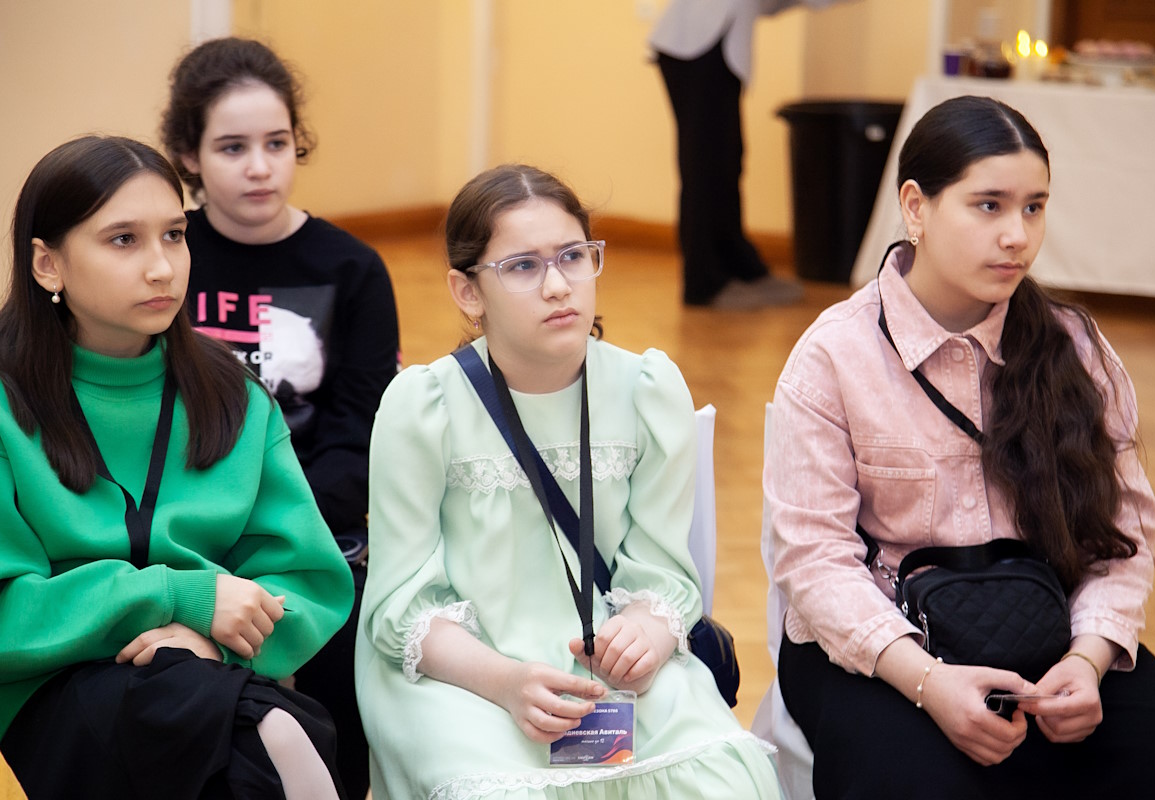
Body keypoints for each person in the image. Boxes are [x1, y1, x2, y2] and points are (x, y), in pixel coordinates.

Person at [763, 95, 1155, 798]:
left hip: (1045, 627)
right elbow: (814, 563)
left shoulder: (1076, 349)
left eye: (1034, 207)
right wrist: (927, 682)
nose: (1017, 236)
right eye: (988, 205)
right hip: (885, 645)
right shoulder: (834, 357)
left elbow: (1122, 539)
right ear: (916, 207)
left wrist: (1087, 660)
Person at [355, 164, 781, 799]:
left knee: (728, 781)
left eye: (573, 256)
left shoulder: (646, 390)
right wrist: (505, 682)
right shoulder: (424, 407)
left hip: (608, 668)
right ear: (468, 291)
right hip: (463, 675)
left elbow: (663, 570)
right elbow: (401, 607)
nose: (558, 286)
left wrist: (647, 633)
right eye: (523, 266)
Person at [0, 135, 354, 798]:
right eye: (123, 240)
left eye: (174, 235)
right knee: (267, 739)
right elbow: (8, 614)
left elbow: (308, 579)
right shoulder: (5, 400)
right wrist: (177, 597)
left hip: (213, 669)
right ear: (48, 264)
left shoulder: (232, 394)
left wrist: (204, 639)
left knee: (250, 736)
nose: (162, 268)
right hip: (54, 683)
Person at [161, 37, 400, 799]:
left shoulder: (352, 268)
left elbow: (359, 436)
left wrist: (277, 537)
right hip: (181, 535)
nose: (260, 166)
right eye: (232, 147)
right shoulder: (164, 259)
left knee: (345, 671)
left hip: (314, 533)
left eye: (277, 143)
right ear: (190, 157)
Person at [650, 0, 815, 309]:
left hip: (711, 45)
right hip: (697, 45)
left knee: (726, 162)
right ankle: (703, 284)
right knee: (704, 166)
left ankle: (738, 265)